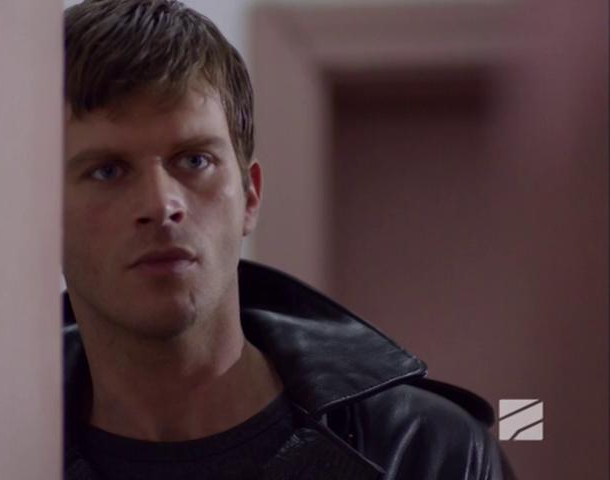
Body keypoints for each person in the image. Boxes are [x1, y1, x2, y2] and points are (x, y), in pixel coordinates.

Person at [61, 1, 516, 478]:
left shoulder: (429, 450)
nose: (161, 204)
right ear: (39, 217)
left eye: (195, 161)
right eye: (108, 171)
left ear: (250, 196)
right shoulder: (6, 449)